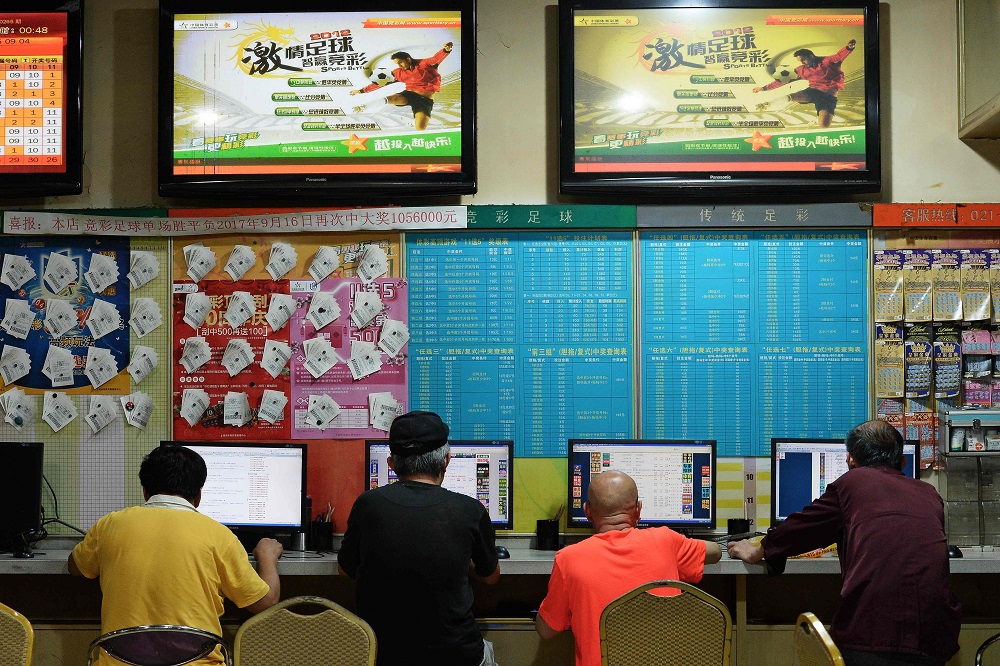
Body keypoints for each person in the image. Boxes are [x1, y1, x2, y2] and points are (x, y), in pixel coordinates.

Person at [728, 420, 961, 666]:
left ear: (849, 460)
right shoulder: (929, 493)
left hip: (872, 635)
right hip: (935, 637)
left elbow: (802, 528)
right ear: (902, 462)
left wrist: (759, 550)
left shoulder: (852, 483)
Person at [69, 445, 283, 665]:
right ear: (198, 495)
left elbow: (75, 567)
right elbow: (266, 603)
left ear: (145, 491)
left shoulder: (109, 525)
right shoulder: (219, 535)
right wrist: (267, 555)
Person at [338, 410, 501, 666]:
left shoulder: (367, 505)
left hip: (384, 655)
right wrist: (462, 557)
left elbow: (345, 570)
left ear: (391, 464)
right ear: (447, 460)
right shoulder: (471, 510)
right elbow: (491, 577)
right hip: (456, 656)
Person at [535, 470, 723, 666]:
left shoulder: (568, 559)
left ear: (587, 512)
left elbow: (546, 630)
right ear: (638, 509)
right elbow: (715, 552)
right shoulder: (666, 541)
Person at [753, 39, 857, 128]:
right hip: (813, 91)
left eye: (803, 60)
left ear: (811, 56)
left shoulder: (827, 61)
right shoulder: (801, 70)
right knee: (795, 95)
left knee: (824, 125)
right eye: (800, 61)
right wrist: (763, 88)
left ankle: (817, 120)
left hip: (828, 96)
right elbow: (782, 81)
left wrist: (848, 48)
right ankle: (769, 103)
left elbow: (839, 56)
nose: (802, 63)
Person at [351, 42, 454, 130]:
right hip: (409, 95)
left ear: (408, 59)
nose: (399, 65)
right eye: (397, 64)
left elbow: (436, 58)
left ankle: (414, 123)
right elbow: (379, 83)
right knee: (393, 98)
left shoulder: (424, 64)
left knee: (420, 127)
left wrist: (446, 50)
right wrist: (361, 91)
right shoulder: (398, 73)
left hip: (425, 99)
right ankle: (363, 107)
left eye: (400, 62)